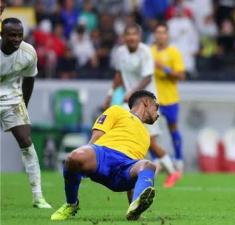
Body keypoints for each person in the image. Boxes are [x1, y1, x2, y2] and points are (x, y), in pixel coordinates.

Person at [51, 90, 159, 221]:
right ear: (146, 102)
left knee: (148, 165)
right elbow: (96, 137)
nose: (157, 114)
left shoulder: (147, 136)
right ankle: (71, 204)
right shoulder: (117, 111)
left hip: (124, 169)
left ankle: (136, 206)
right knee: (73, 156)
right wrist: (84, 162)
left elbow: (136, 170)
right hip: (103, 156)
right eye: (156, 107)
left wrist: (133, 207)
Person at [104, 23, 181, 188]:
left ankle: (172, 170)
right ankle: (131, 170)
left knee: (150, 142)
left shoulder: (145, 51)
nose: (131, 37)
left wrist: (131, 91)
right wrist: (110, 94)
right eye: (128, 34)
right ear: (124, 37)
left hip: (147, 102)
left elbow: (147, 77)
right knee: (127, 136)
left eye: (134, 34)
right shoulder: (120, 52)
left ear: (139, 37)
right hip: (130, 103)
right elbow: (118, 74)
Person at [0, 18, 52, 209]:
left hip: (12, 98)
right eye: (12, 35)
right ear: (2, 35)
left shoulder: (28, 53)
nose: (16, 39)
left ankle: (38, 197)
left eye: (19, 35)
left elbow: (29, 80)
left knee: (26, 141)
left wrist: (24, 105)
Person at [151, 23, 186, 172]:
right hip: (153, 100)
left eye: (163, 33)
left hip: (170, 98)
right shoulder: (149, 51)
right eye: (158, 33)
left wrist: (163, 68)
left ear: (167, 35)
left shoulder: (174, 53)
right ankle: (156, 161)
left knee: (173, 129)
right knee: (150, 133)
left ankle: (178, 160)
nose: (160, 35)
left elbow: (181, 75)